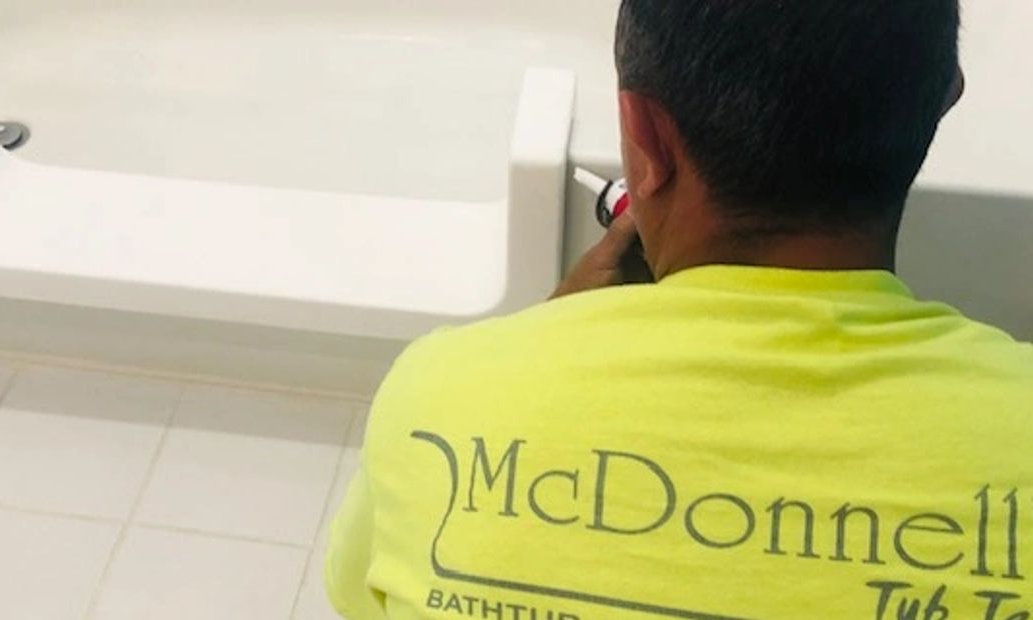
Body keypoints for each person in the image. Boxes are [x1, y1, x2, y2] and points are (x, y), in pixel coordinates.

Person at [324, 1, 1033, 618]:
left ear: (646, 137)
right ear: (945, 96)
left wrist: (536, 338)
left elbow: (361, 596)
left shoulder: (438, 400)